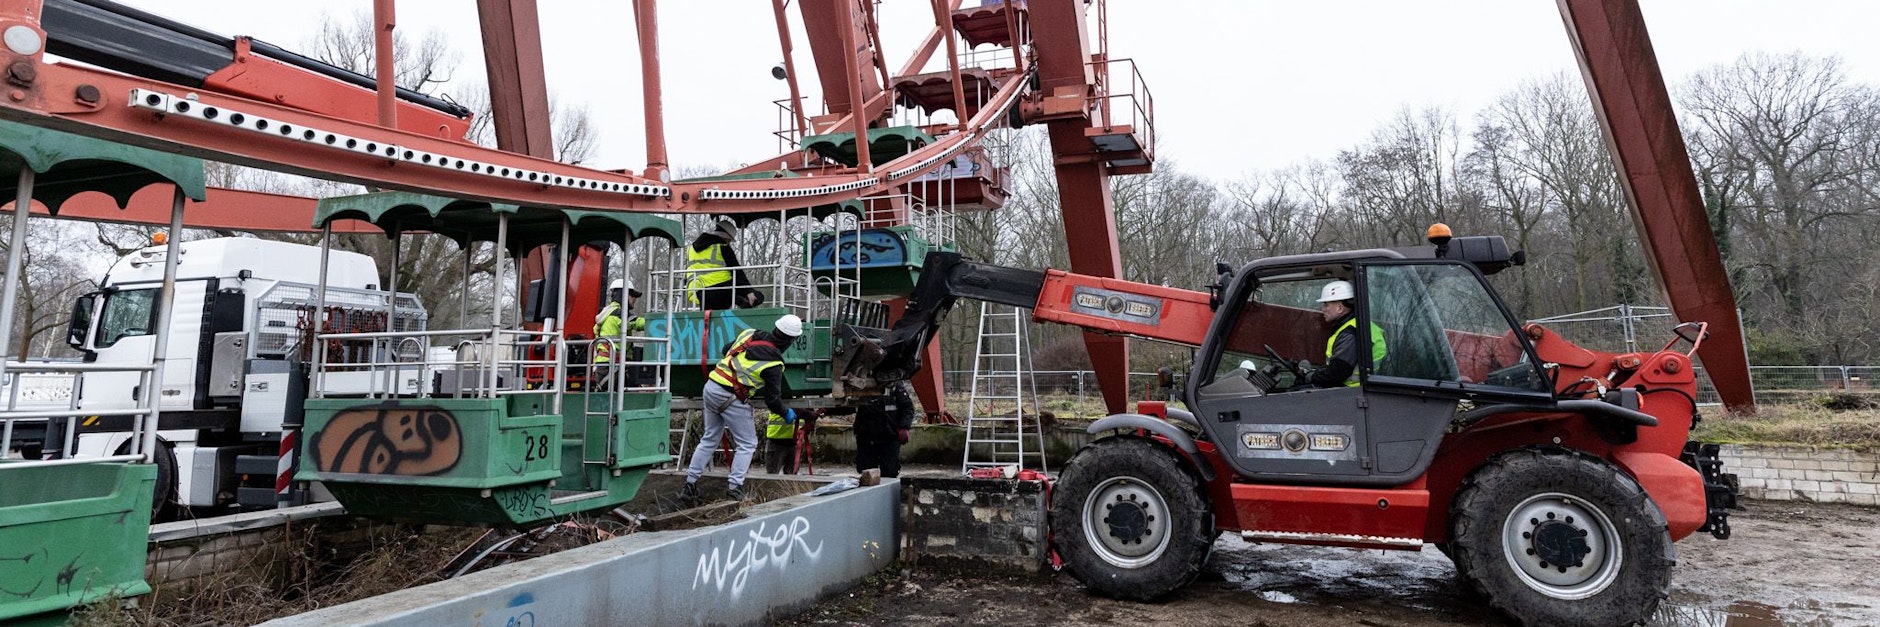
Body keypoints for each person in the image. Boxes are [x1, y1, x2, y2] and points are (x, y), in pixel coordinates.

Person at [682, 314, 803, 502]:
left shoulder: (749, 334)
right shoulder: (774, 363)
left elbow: (725, 349)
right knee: (747, 443)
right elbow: (773, 400)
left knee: (709, 438)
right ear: (791, 340)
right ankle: (735, 488)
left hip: (711, 387)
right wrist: (785, 412)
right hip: (731, 398)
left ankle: (689, 485)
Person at [1304, 280, 1387, 388]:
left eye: (1326, 305)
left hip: (1352, 391)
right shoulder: (1356, 325)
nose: (1323, 309)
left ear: (1339, 308)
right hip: (1360, 389)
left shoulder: (1349, 334)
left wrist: (1310, 376)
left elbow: (1336, 373)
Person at [686, 219, 765, 310]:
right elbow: (737, 271)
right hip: (721, 291)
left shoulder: (690, 249)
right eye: (729, 241)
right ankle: (744, 303)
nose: (729, 243)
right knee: (758, 296)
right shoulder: (722, 247)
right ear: (726, 238)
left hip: (698, 292)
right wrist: (749, 291)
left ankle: (739, 300)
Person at [853, 381, 916, 479]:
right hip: (866, 436)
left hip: (889, 436)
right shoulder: (860, 383)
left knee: (889, 471)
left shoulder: (894, 385)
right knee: (866, 471)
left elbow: (907, 408)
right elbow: (847, 405)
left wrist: (904, 427)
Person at [592, 278, 645, 389]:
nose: (634, 299)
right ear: (622, 295)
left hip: (605, 367)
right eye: (632, 295)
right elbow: (639, 323)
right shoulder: (618, 313)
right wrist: (660, 322)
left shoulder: (607, 312)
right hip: (612, 367)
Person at [762, 408, 799, 475]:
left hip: (793, 441)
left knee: (792, 476)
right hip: (777, 440)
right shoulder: (777, 401)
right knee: (772, 476)